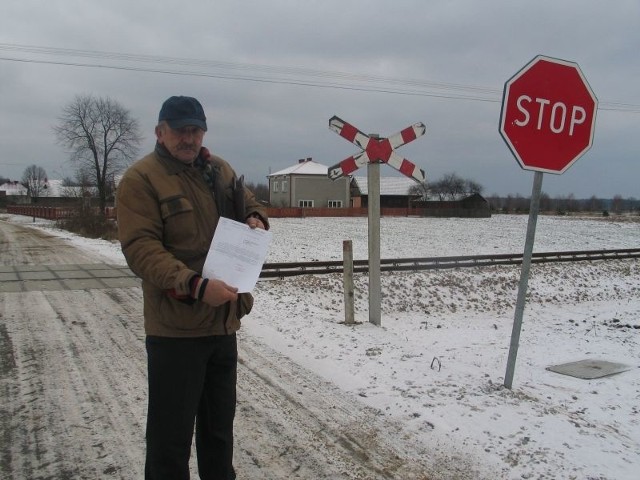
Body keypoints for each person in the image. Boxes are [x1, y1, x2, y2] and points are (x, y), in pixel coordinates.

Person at [116, 95, 269, 480]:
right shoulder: (141, 179)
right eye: (179, 130)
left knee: (219, 435)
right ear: (160, 132)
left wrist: (255, 217)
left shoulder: (219, 169)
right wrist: (196, 286)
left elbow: (248, 202)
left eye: (195, 130)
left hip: (222, 325)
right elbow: (141, 250)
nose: (188, 138)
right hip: (176, 332)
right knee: (171, 441)